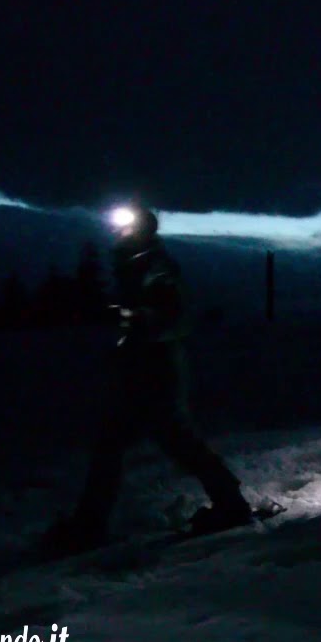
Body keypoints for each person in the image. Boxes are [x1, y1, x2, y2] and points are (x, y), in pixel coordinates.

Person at [40, 206, 252, 555]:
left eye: (126, 227)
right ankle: (89, 524)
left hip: (156, 373)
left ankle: (230, 503)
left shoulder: (155, 267)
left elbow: (173, 316)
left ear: (141, 230)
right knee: (120, 445)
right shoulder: (135, 263)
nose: (119, 233)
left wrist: (134, 318)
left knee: (175, 441)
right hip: (140, 371)